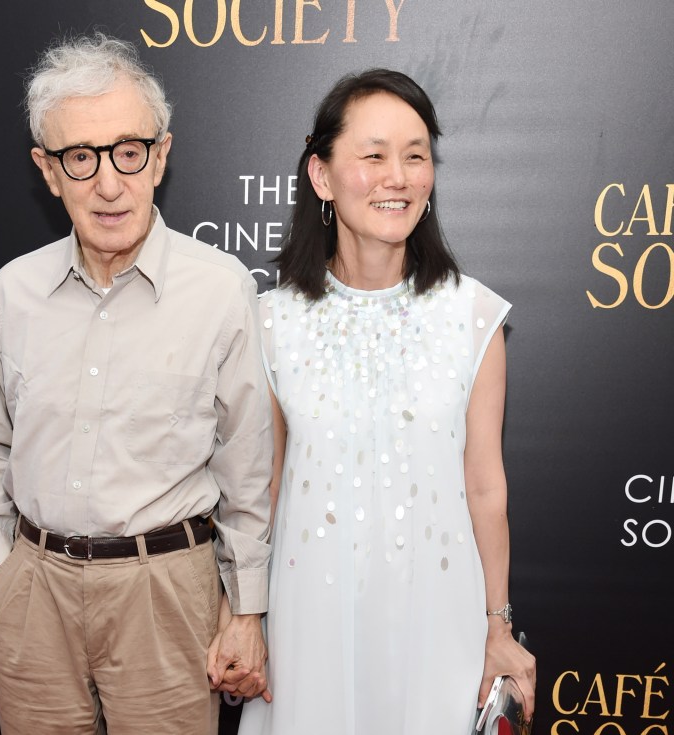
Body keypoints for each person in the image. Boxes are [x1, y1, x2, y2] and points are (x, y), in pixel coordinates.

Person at [0, 33, 273, 735]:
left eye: (129, 151)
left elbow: (249, 476)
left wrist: (247, 611)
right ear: (48, 171)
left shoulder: (221, 291)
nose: (108, 183)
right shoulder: (12, 293)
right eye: (81, 157)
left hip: (165, 597)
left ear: (160, 155)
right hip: (33, 593)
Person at [237, 69, 537, 734]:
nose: (397, 177)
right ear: (321, 174)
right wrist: (244, 617)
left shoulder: (472, 316)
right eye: (373, 156)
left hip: (438, 621)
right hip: (306, 618)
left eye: (416, 155)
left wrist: (499, 625)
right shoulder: (268, 323)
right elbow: (263, 486)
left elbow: (486, 487)